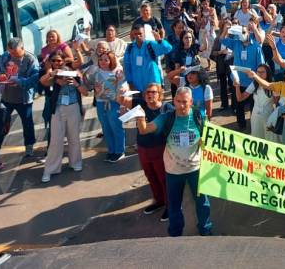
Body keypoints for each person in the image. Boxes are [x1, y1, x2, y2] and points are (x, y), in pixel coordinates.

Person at [136, 87, 212, 237]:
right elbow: (145, 130)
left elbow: (209, 139)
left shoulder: (199, 116)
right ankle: (175, 234)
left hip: (195, 169)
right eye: (178, 101)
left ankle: (206, 230)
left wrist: (205, 143)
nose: (181, 105)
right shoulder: (167, 118)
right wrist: (139, 118)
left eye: (185, 102)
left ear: (191, 102)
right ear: (174, 101)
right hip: (173, 171)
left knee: (202, 203)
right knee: (174, 205)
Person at [119, 84, 172, 222]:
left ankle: (170, 206)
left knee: (164, 178)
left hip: (160, 148)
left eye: (153, 92)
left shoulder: (166, 108)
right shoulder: (140, 104)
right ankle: (159, 201)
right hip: (143, 148)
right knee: (151, 176)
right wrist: (121, 90)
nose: (150, 95)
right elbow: (121, 100)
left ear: (159, 94)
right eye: (147, 92)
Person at [38, 63, 85, 183]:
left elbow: (86, 92)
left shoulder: (76, 79)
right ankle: (50, 169)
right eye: (62, 76)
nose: (64, 78)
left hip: (73, 108)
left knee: (74, 137)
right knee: (55, 141)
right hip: (58, 109)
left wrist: (76, 83)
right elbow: (42, 81)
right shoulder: (54, 80)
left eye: (66, 75)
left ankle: (76, 162)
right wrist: (52, 74)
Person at [0, 37, 40, 157]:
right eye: (11, 52)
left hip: (23, 99)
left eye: (15, 52)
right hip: (6, 97)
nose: (13, 55)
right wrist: (0, 76)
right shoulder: (5, 56)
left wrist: (18, 81)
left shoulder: (31, 59)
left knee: (27, 124)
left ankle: (29, 146)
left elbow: (34, 79)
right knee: (0, 123)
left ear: (22, 48)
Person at [81, 50, 128, 162]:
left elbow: (123, 89)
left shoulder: (118, 72)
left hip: (114, 103)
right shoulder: (96, 73)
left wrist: (123, 106)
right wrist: (83, 75)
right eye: (101, 59)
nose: (103, 62)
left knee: (116, 127)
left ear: (111, 60)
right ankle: (111, 150)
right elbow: (88, 84)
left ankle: (119, 151)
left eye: (106, 59)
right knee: (106, 128)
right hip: (100, 103)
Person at [248, 66, 285, 148]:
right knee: (284, 146)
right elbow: (268, 85)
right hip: (283, 122)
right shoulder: (282, 85)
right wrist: (255, 76)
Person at [123, 24, 172, 93]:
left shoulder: (151, 45)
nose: (138, 36)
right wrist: (130, 81)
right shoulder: (130, 48)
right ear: (133, 35)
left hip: (153, 83)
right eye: (135, 34)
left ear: (144, 34)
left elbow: (168, 48)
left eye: (140, 33)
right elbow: (127, 66)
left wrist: (159, 40)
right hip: (137, 85)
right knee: (139, 103)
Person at [235, 64, 277, 141]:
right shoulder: (254, 84)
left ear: (268, 73)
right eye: (258, 72)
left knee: (270, 139)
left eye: (262, 72)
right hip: (255, 116)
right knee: (257, 138)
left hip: (269, 116)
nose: (260, 74)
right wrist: (237, 86)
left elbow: (277, 103)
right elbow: (240, 98)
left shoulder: (273, 85)